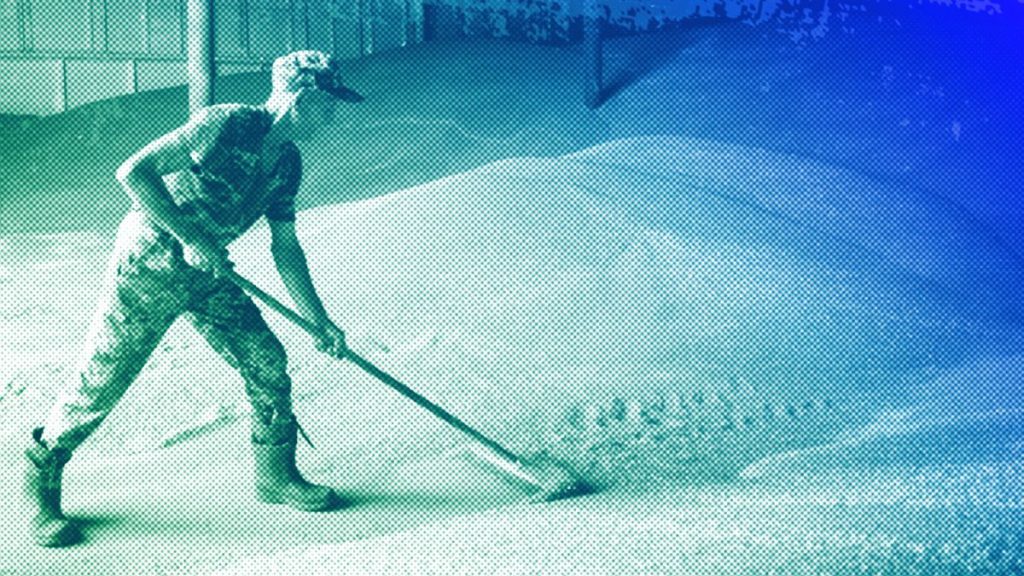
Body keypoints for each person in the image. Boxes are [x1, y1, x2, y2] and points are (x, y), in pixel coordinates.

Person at [23, 50, 365, 547]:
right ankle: (41, 483)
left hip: (208, 276)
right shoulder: (226, 124)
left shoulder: (288, 164)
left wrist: (320, 321)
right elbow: (133, 171)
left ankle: (276, 477)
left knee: (267, 360)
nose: (335, 113)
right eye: (330, 101)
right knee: (102, 381)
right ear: (303, 95)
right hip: (149, 266)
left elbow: (285, 246)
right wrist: (192, 236)